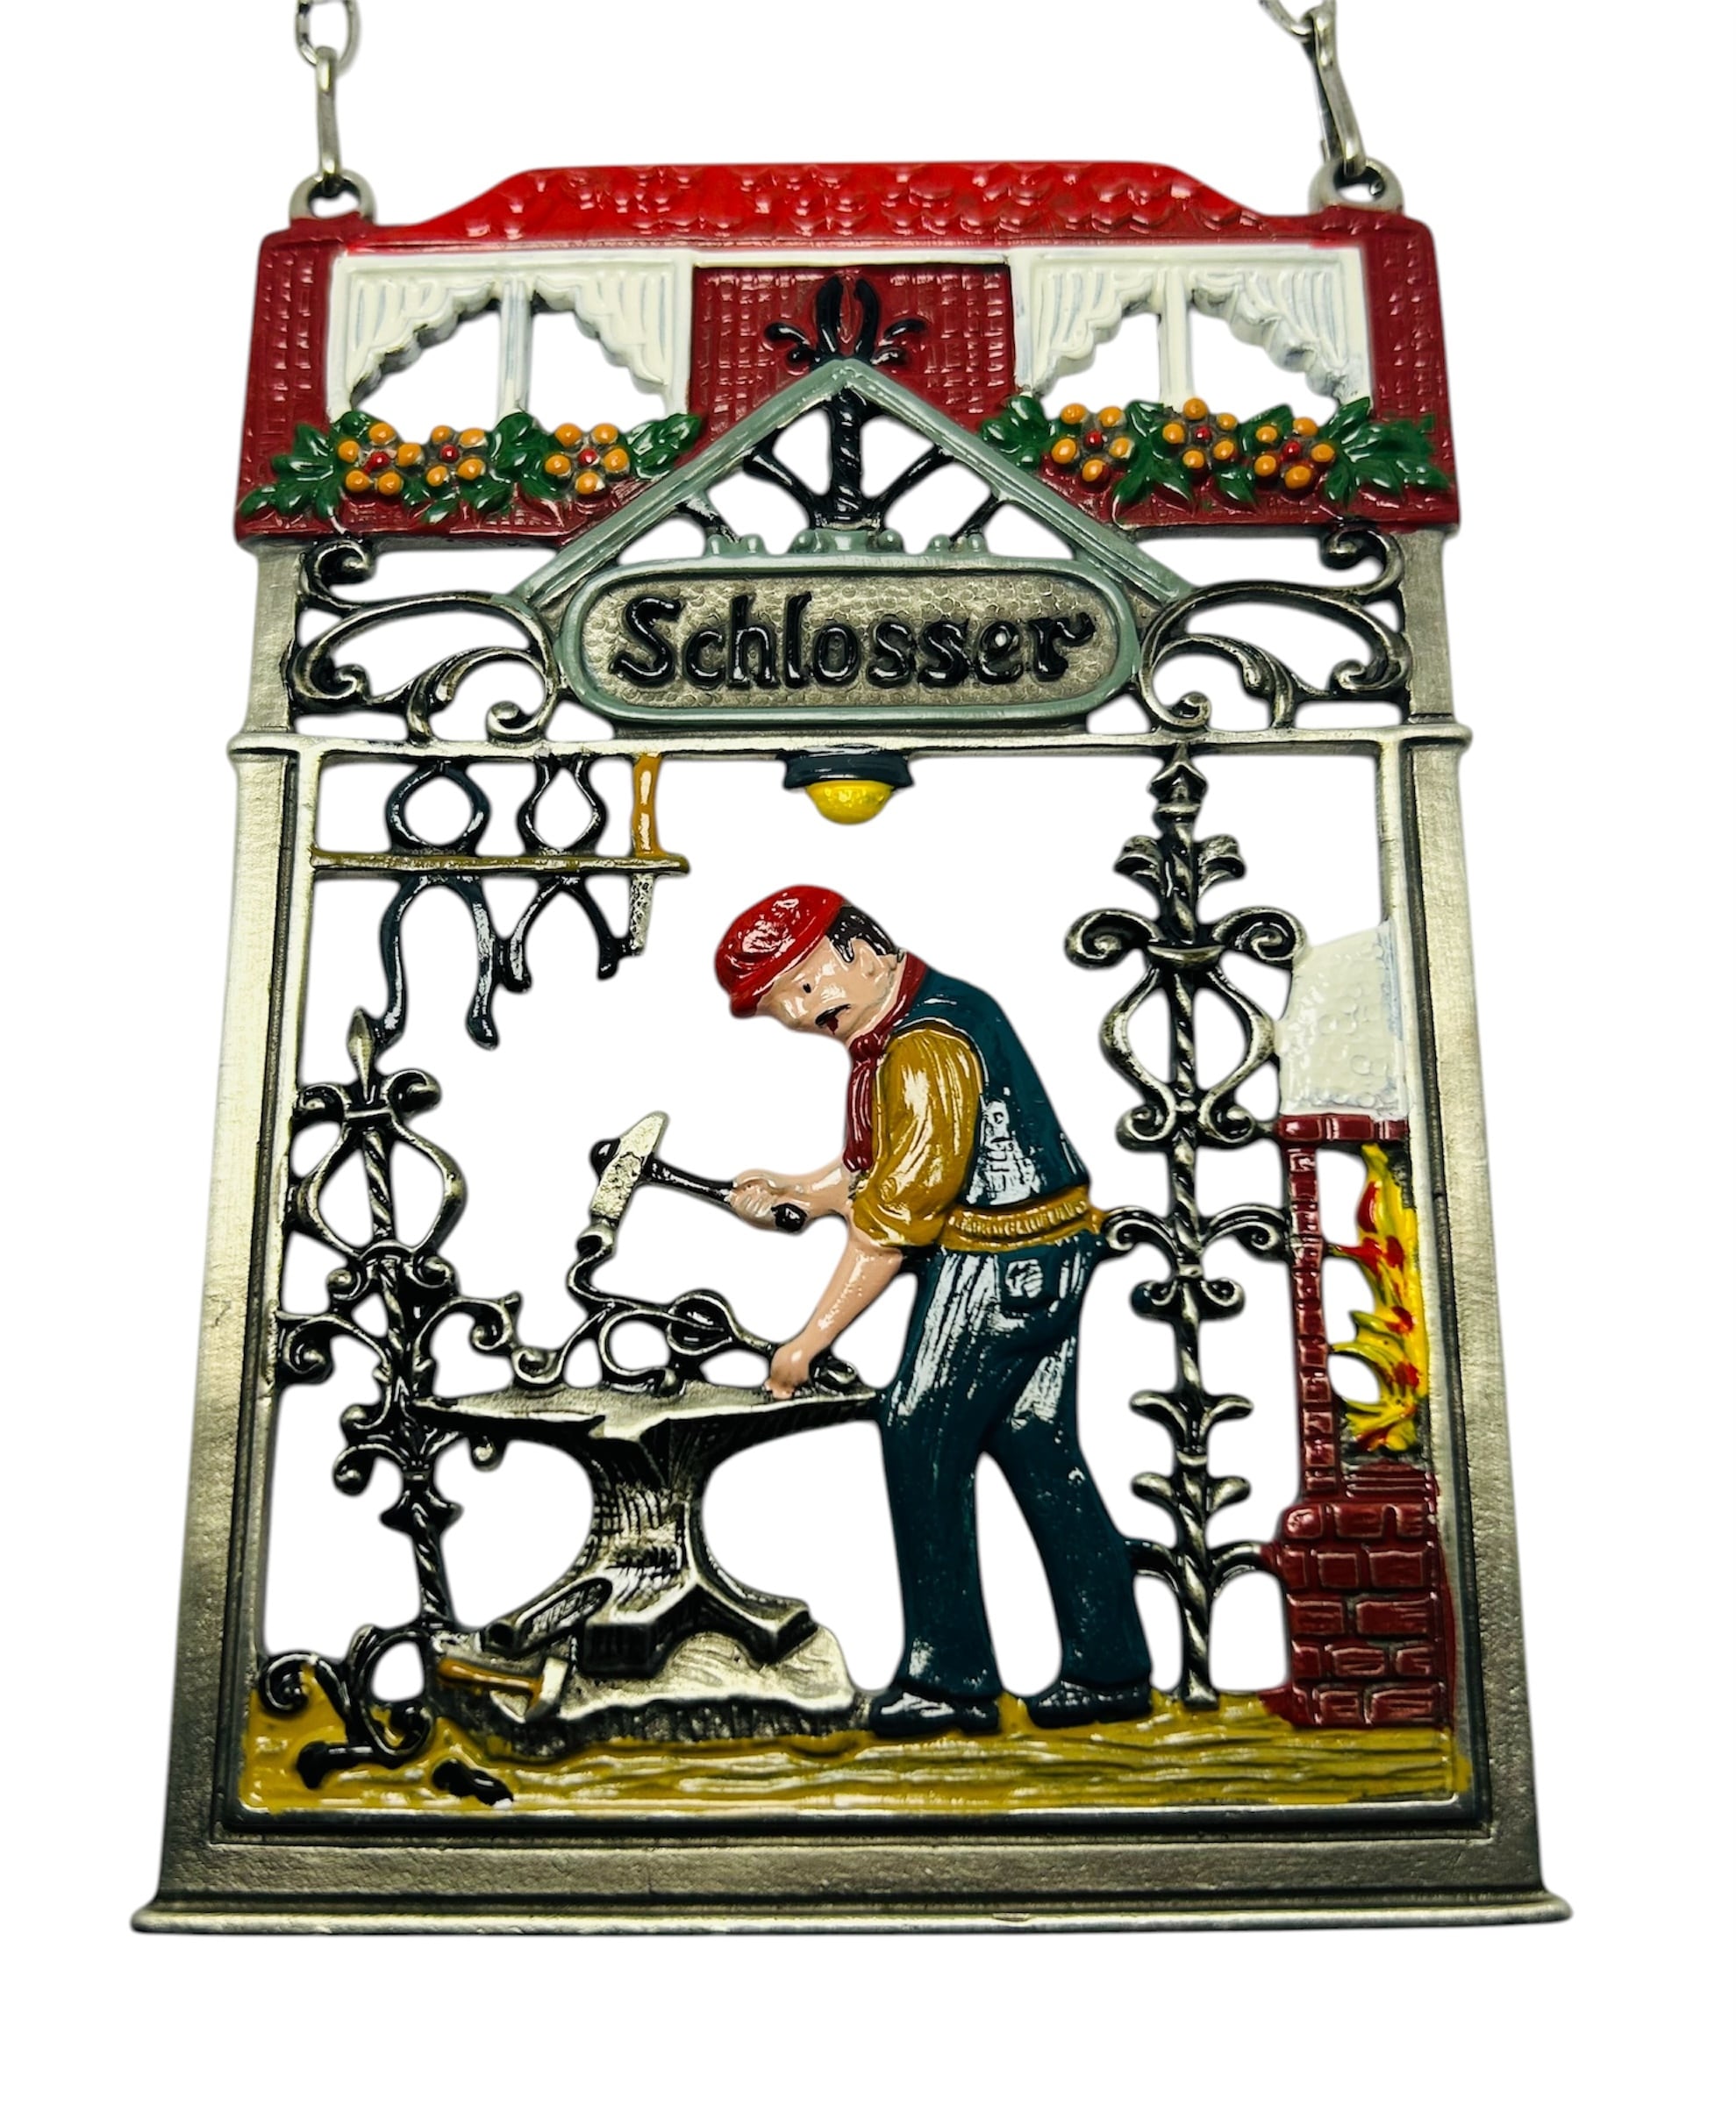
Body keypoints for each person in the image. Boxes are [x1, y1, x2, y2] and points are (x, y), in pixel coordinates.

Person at [717, 884, 1151, 1737]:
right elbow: (897, 1169)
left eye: (804, 984)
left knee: (920, 1436)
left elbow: (896, 1221)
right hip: (1045, 1252)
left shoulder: (923, 1046)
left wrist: (808, 1341)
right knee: (1038, 1450)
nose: (802, 1015)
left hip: (994, 1266)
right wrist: (802, 1190)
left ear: (862, 947)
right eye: (780, 1008)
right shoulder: (924, 1015)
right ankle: (1110, 1667)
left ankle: (949, 1680)